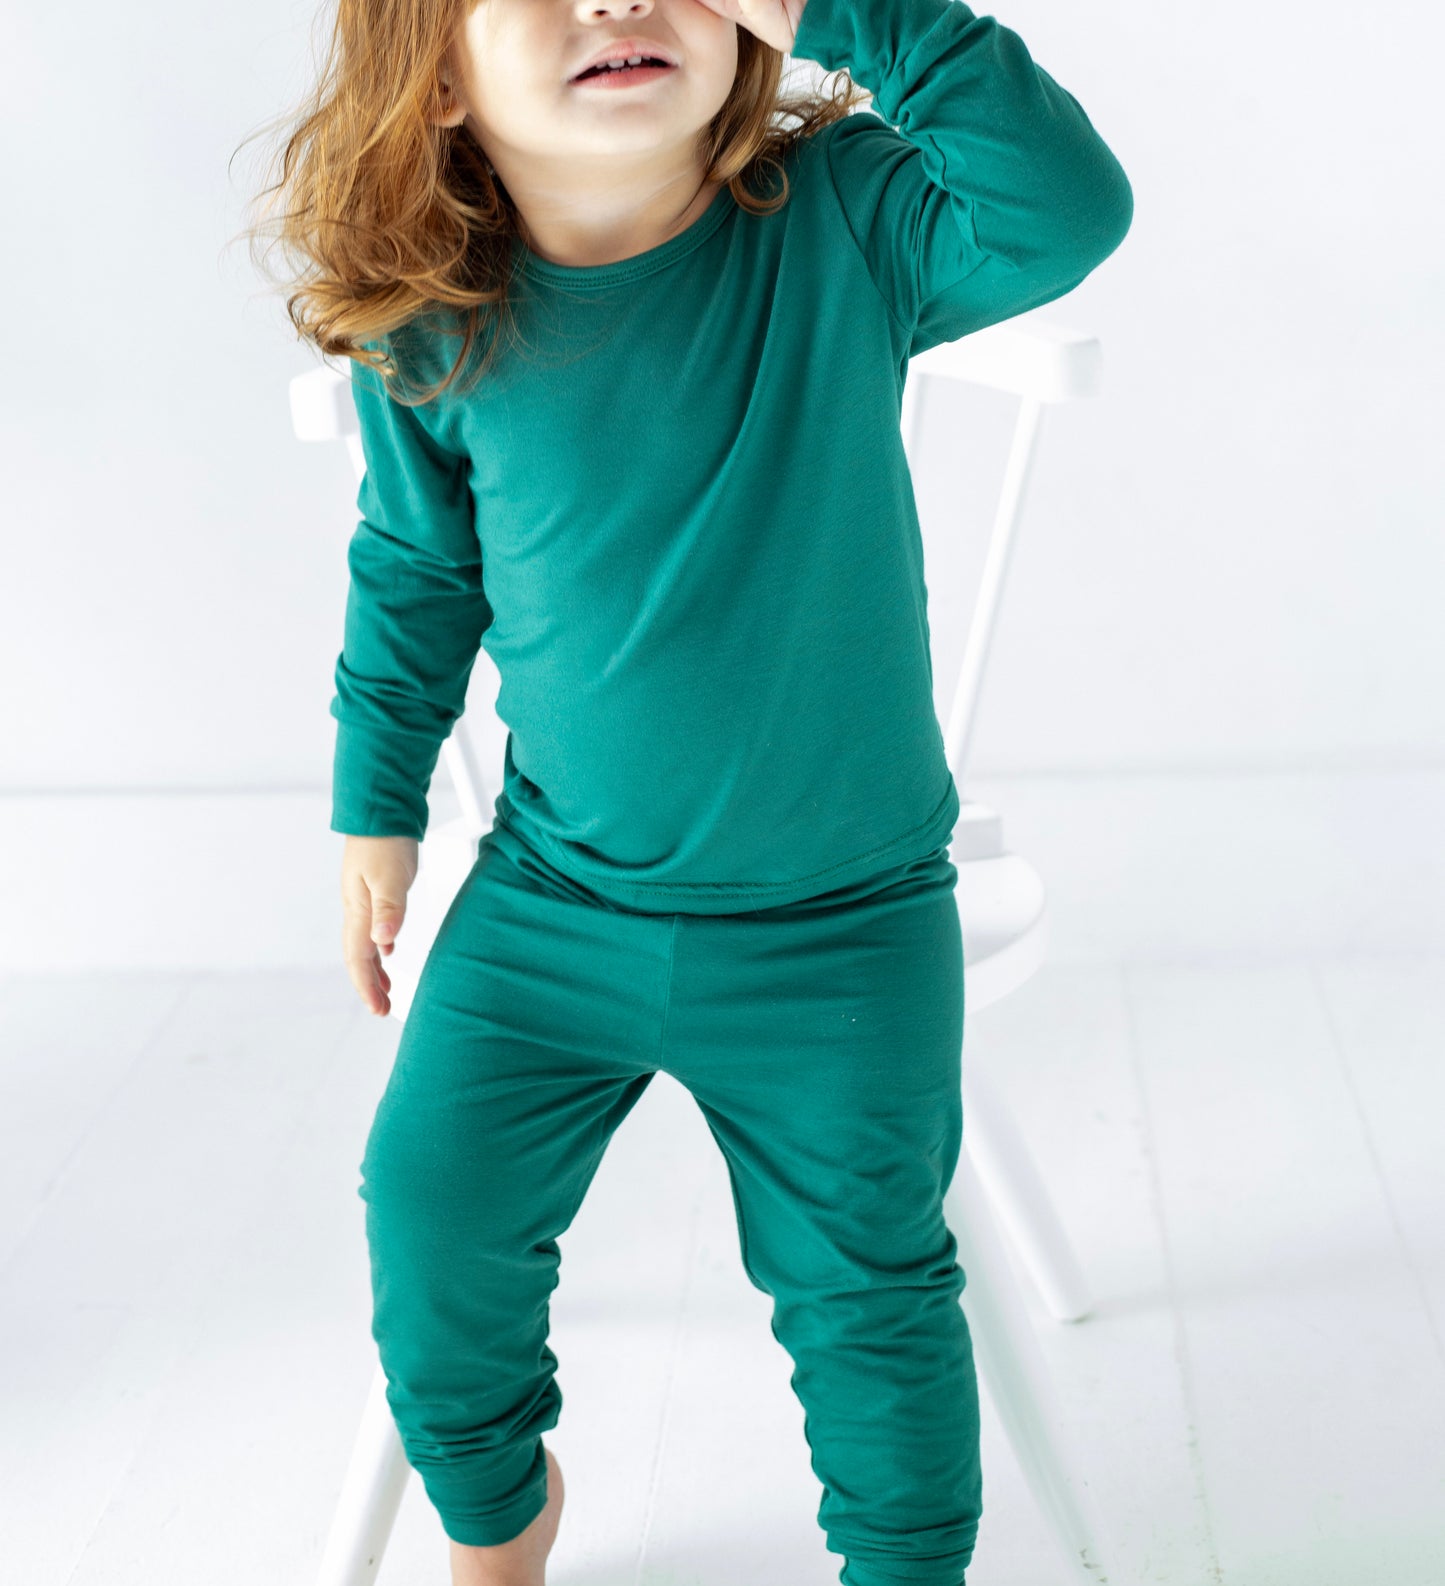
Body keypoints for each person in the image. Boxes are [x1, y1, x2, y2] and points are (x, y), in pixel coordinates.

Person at [254, 0, 1131, 1577]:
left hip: (840, 923)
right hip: (554, 902)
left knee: (868, 1299)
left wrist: (839, 10)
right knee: (427, 1215)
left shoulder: (845, 222)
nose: (614, 1)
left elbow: (1066, 209)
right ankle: (498, 1516)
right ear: (437, 73)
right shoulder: (440, 322)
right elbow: (412, 576)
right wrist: (373, 803)